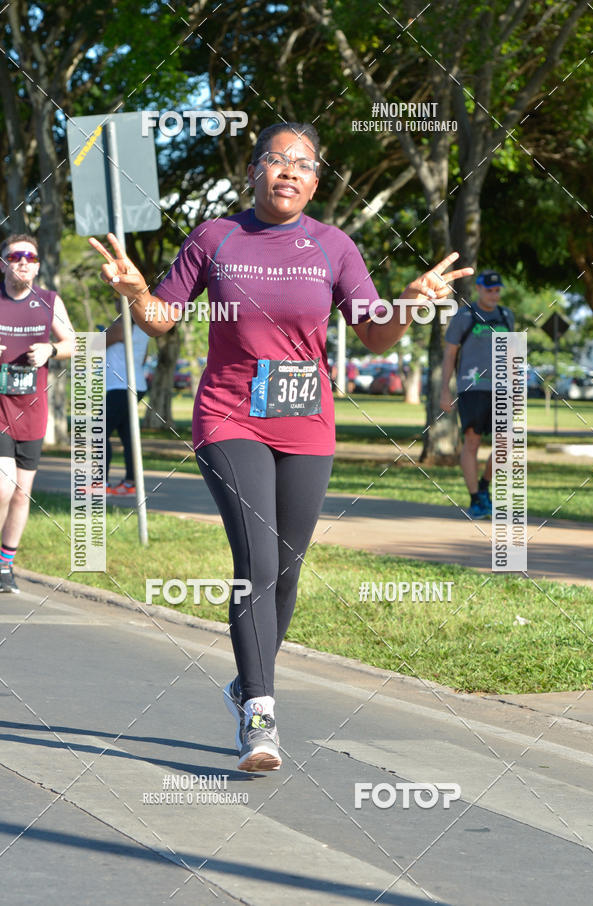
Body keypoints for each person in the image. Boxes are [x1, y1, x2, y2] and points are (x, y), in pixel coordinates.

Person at [90, 122, 472, 771]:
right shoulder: (216, 236)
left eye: (303, 164)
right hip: (229, 415)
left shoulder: (334, 246)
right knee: (258, 562)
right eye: (277, 160)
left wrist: (408, 302)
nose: (289, 171)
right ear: (254, 170)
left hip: (306, 421)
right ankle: (260, 712)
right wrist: (134, 293)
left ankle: (246, 676)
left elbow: (376, 337)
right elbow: (163, 318)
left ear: (316, 180)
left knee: (288, 570)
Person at [0, 234, 74, 592]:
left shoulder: (48, 301)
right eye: (16, 256)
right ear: (4, 263)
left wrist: (50, 350)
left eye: (30, 256)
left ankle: (5, 566)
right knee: (3, 485)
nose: (24, 262)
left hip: (31, 410)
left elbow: (73, 341)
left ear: (38, 265)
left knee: (21, 494)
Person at [440, 270, 515, 519]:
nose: (494, 294)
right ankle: (476, 499)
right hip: (472, 388)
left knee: (505, 443)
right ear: (479, 289)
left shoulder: (507, 316)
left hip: (502, 389)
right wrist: (444, 390)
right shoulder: (464, 316)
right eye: (489, 290)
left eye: (497, 290)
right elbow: (450, 355)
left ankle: (484, 486)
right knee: (472, 442)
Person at [104, 301, 149, 494]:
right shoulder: (144, 329)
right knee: (127, 436)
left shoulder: (120, 327)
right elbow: (145, 359)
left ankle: (100, 483)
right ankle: (131, 482)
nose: (115, 300)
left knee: (99, 431)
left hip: (120, 386)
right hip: (136, 385)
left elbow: (90, 346)